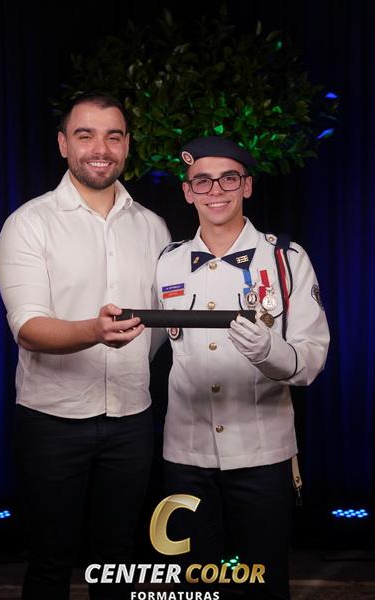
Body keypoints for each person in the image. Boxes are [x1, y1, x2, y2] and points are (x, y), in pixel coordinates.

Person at [0, 91, 171, 600]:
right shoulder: (29, 223)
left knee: (116, 561)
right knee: (50, 563)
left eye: (113, 136)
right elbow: (28, 327)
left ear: (127, 145)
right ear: (63, 144)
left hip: (132, 419)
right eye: (85, 135)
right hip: (52, 422)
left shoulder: (153, 227)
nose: (101, 148)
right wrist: (95, 331)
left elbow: (159, 330)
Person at [156, 136, 330, 599]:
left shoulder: (287, 259)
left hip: (262, 455)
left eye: (228, 178)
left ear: (247, 186)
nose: (216, 191)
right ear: (187, 191)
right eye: (202, 181)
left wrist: (270, 351)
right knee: (193, 583)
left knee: (263, 582)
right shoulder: (167, 263)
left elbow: (312, 357)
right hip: (186, 454)